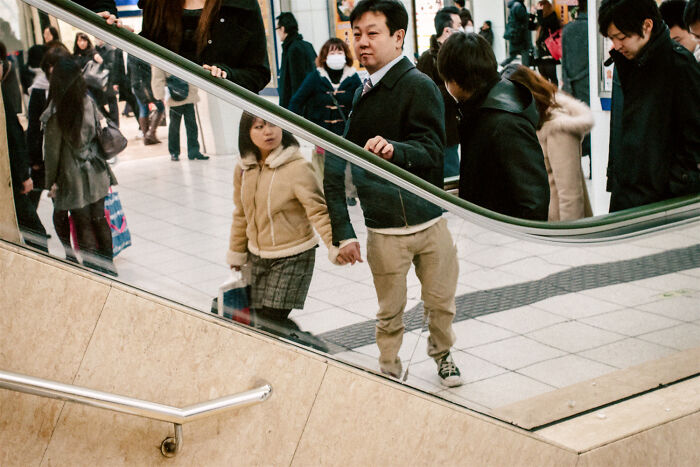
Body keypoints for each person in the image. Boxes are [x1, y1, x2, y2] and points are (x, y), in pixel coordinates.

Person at [325, 0, 463, 387]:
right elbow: (339, 162)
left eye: (373, 33)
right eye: (356, 34)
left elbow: (434, 152)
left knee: (440, 301)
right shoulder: (361, 90)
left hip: (430, 222)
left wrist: (394, 150)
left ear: (398, 36)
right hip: (384, 229)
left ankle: (443, 353)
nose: (361, 43)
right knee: (389, 309)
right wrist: (343, 229)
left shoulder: (418, 85)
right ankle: (388, 363)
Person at [226, 113, 338, 333]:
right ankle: (297, 347)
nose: (268, 131)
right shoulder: (244, 168)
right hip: (257, 255)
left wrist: (336, 245)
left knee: (271, 319)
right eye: (259, 126)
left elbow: (319, 211)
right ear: (247, 134)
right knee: (262, 320)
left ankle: (312, 349)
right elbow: (241, 214)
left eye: (273, 124)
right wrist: (236, 252)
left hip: (293, 255)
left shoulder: (297, 167)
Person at [599, 0, 700, 211]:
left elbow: (694, 138)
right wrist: (614, 177)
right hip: (625, 194)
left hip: (662, 202)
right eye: (611, 39)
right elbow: (618, 129)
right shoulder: (623, 63)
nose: (616, 45)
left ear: (647, 26)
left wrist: (675, 186)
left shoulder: (679, 65)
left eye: (622, 37)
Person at [438, 33, 549, 220]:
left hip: (505, 240)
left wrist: (521, 246)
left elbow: (534, 200)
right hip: (492, 233)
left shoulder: (502, 122)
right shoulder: (483, 108)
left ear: (455, 80)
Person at [41, 58, 118, 275]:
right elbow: (99, 131)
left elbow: (52, 153)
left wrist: (50, 183)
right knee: (99, 217)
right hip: (96, 169)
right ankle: (109, 266)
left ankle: (94, 269)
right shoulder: (88, 102)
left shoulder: (55, 113)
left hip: (72, 175)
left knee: (82, 221)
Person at [506, 65, 593, 221]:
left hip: (559, 229)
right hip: (543, 223)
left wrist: (568, 240)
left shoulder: (558, 128)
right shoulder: (532, 121)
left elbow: (570, 195)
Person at [138, 0, 270, 93]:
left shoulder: (241, 6)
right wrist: (122, 35)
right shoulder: (155, 5)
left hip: (230, 113)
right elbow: (143, 65)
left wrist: (227, 75)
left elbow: (259, 73)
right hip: (173, 108)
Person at [288, 38, 361, 181]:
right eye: (332, 51)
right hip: (321, 135)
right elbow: (296, 101)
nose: (336, 55)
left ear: (345, 55)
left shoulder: (353, 77)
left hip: (345, 136)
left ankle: (348, 195)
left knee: (346, 170)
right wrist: (295, 127)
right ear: (324, 55)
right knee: (322, 175)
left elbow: (361, 106)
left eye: (339, 51)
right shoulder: (316, 76)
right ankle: (323, 197)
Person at [2, 50, 48, 252]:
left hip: (10, 175)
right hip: (10, 177)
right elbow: (13, 136)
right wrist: (23, 175)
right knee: (34, 230)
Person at [417, 6, 462, 177]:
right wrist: (456, 88)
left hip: (456, 128)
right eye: (458, 25)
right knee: (448, 176)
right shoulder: (428, 59)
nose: (462, 29)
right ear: (447, 30)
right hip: (439, 131)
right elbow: (426, 95)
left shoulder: (458, 53)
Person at [152, 68, 204, 161]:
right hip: (174, 96)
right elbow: (157, 77)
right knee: (174, 127)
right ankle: (174, 152)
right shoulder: (164, 57)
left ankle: (193, 151)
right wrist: (160, 95)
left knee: (191, 125)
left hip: (188, 94)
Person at [562, 0, 590, 159]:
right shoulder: (595, 30)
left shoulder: (568, 29)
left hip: (572, 84)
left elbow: (564, 61)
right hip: (589, 82)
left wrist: (566, 83)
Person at [276, 12, 317, 109]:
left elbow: (296, 83)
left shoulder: (293, 49)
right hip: (311, 105)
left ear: (283, 28)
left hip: (298, 110)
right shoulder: (307, 46)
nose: (277, 32)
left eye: (277, 29)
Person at [529, 0, 561, 85]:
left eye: (540, 7)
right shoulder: (541, 21)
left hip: (549, 55)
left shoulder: (552, 18)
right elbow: (530, 26)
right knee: (543, 81)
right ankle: (547, 97)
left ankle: (555, 96)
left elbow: (543, 23)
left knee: (553, 78)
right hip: (541, 55)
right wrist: (532, 14)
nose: (538, 9)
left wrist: (539, 12)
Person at [94, 39, 123, 125]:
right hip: (98, 81)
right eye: (96, 38)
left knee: (112, 103)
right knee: (99, 105)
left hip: (109, 80)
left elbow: (112, 65)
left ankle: (115, 124)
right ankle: (111, 121)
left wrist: (101, 64)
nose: (97, 40)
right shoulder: (95, 50)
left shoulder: (109, 49)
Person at [503, 0, 532, 66]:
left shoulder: (514, 5)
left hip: (515, 35)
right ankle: (526, 72)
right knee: (525, 53)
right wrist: (529, 17)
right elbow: (523, 20)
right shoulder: (518, 6)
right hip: (520, 36)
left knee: (513, 55)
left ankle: (502, 65)